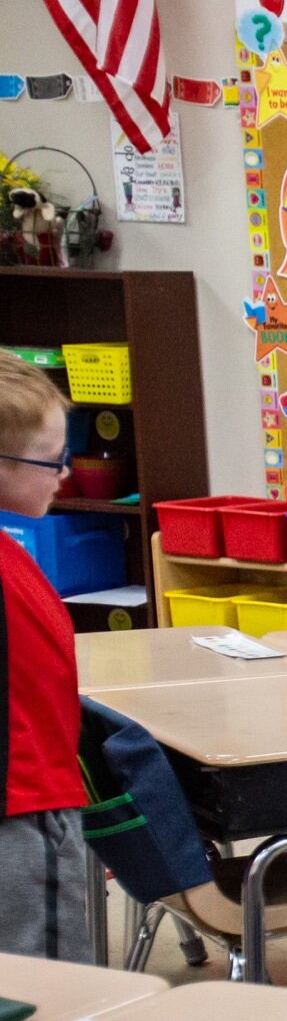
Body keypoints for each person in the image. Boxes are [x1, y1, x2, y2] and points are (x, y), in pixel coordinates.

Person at [0, 356, 83, 958]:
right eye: (52, 460)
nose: (65, 473)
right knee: (50, 1003)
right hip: (22, 809)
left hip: (31, 797)